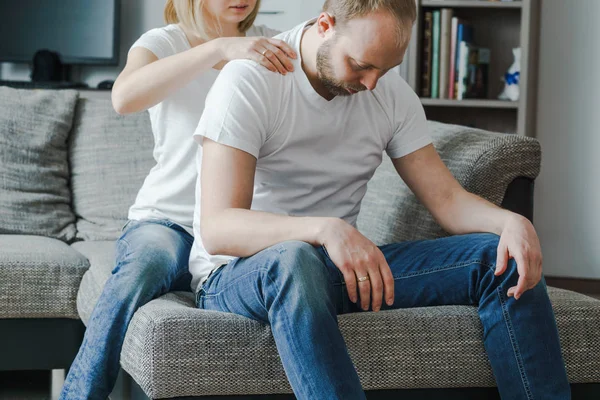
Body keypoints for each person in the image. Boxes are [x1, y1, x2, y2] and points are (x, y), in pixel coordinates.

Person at [189, 0, 571, 399]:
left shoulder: (389, 93)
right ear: (325, 25)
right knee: (294, 256)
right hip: (238, 274)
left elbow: (447, 200)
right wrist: (323, 229)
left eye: (384, 69)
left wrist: (510, 222)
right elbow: (218, 228)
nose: (371, 83)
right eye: (360, 65)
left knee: (498, 258)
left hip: (336, 271)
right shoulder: (250, 80)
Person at [59, 1, 296, 399]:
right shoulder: (162, 42)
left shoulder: (271, 45)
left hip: (237, 227)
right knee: (142, 269)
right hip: (168, 221)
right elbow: (124, 98)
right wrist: (219, 48)